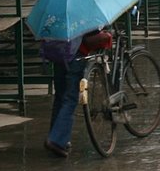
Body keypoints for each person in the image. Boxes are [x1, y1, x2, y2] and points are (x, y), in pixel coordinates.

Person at [43, 28, 113, 157]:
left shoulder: (59, 14)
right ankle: (57, 140)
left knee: (60, 95)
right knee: (70, 98)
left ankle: (54, 135)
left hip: (59, 52)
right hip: (76, 54)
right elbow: (90, 36)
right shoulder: (84, 13)